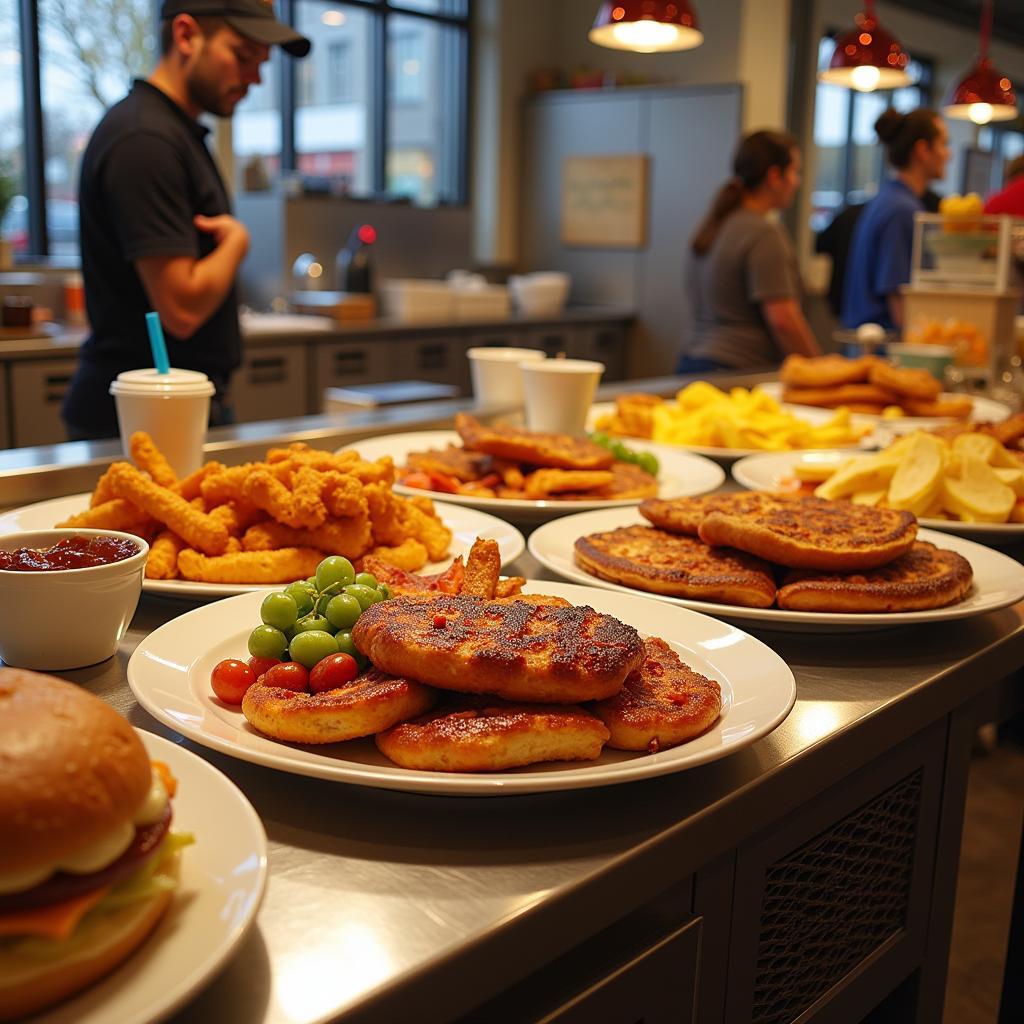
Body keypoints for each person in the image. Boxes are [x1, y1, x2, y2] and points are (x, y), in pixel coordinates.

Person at [62, 1, 311, 441]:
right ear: (185, 35)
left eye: (262, 62)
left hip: (171, 409)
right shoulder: (146, 141)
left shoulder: (171, 132)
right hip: (142, 421)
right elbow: (180, 309)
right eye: (243, 56)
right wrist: (236, 243)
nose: (255, 77)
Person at [678, 130, 822, 374]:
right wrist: (819, 370)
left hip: (694, 360)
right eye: (795, 172)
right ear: (775, 176)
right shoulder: (764, 233)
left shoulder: (715, 225)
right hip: (737, 371)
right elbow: (783, 320)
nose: (798, 182)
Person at [841, 108, 950, 332]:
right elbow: (900, 305)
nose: (948, 154)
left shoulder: (890, 199)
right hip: (884, 353)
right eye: (943, 144)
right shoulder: (902, 210)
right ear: (922, 150)